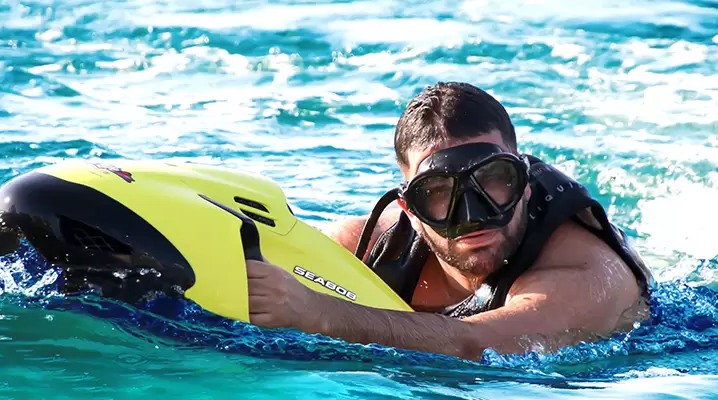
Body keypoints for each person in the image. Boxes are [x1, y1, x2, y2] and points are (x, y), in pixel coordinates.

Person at [245, 81, 655, 362]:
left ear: (525, 185)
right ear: (410, 210)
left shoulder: (583, 273)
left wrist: (319, 313)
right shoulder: (371, 245)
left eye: (494, 182)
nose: (473, 217)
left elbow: (474, 345)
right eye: (439, 193)